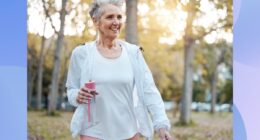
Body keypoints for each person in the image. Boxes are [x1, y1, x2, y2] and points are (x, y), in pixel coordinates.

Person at [66, 0, 172, 140]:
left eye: (119, 17)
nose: (116, 22)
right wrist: (77, 96)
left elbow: (149, 90)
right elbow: (71, 89)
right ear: (96, 21)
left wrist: (161, 125)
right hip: (93, 132)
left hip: (129, 131)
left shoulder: (133, 53)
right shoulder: (81, 54)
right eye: (110, 17)